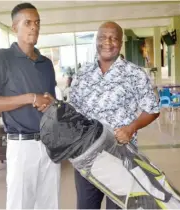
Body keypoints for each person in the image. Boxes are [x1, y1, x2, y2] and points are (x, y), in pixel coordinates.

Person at [69, 21, 160, 209]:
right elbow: (73, 112)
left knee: (118, 207)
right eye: (103, 37)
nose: (108, 42)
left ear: (121, 42)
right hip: (87, 156)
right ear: (96, 40)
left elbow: (152, 109)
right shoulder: (82, 75)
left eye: (114, 38)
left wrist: (131, 127)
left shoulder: (135, 74)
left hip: (121, 156)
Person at [0, 3, 60, 209]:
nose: (34, 27)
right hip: (22, 147)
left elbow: (51, 101)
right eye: (28, 23)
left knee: (49, 204)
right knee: (20, 205)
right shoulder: (1, 58)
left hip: (51, 144)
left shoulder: (46, 64)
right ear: (15, 28)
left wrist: (53, 103)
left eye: (37, 23)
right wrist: (30, 97)